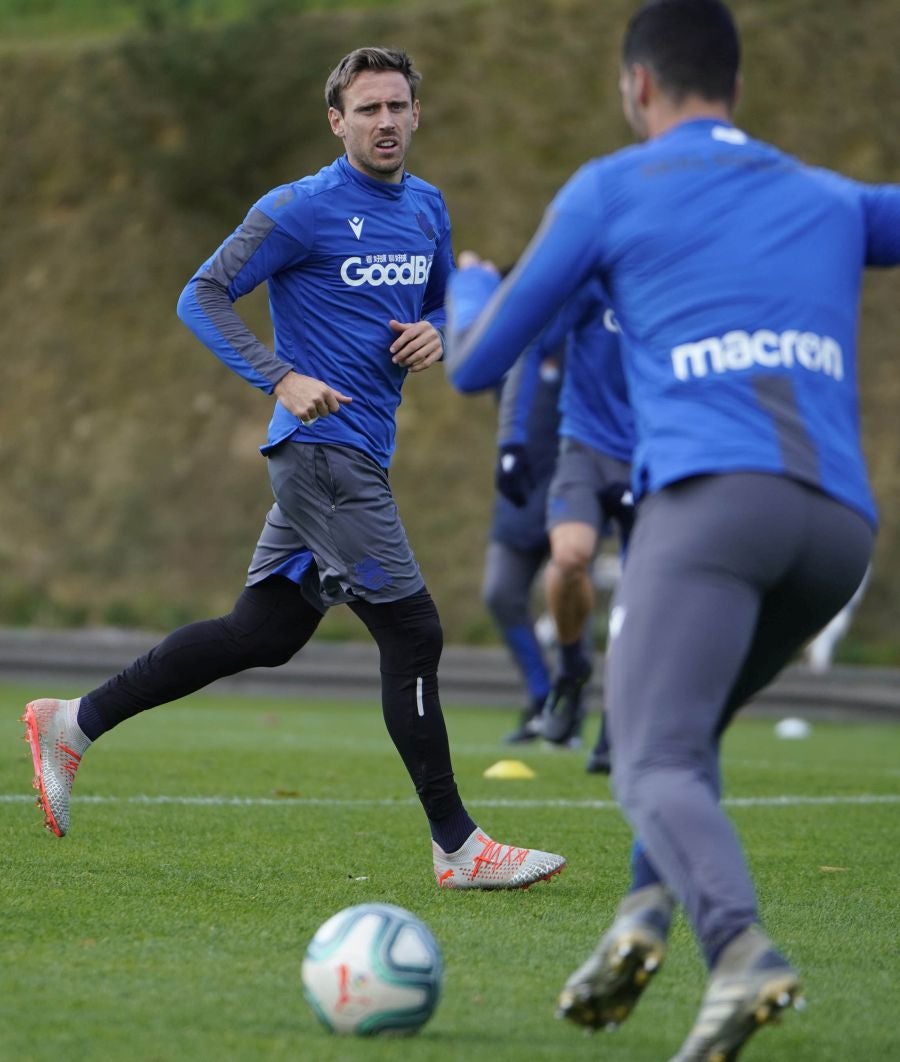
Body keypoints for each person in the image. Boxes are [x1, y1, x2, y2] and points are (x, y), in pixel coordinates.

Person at [445, 0, 899, 1056]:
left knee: (648, 760)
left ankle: (740, 950)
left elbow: (476, 363)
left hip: (711, 509)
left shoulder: (611, 187)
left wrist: (470, 285)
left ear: (636, 88)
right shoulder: (827, 194)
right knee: (686, 745)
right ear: (737, 91)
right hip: (838, 533)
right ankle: (642, 924)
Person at [22, 46, 565, 893]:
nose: (385, 122)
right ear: (336, 122)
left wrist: (437, 330)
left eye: (397, 107)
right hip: (319, 457)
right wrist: (281, 375)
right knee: (414, 632)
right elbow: (199, 294)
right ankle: (459, 848)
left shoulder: (427, 207)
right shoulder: (300, 209)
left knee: (263, 634)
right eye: (367, 110)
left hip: (359, 455)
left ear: (416, 114)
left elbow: (436, 300)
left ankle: (73, 722)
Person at [530, 278, 636, 764]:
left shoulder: (676, 276)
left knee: (643, 597)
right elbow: (533, 349)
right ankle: (572, 671)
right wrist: (511, 442)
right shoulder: (590, 282)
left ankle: (618, 725)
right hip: (586, 447)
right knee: (570, 557)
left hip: (654, 454)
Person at [481, 337, 563, 744]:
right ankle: (541, 694)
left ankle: (569, 706)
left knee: (568, 592)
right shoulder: (512, 352)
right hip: (518, 494)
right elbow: (469, 367)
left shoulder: (580, 340)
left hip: (570, 490)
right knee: (500, 592)